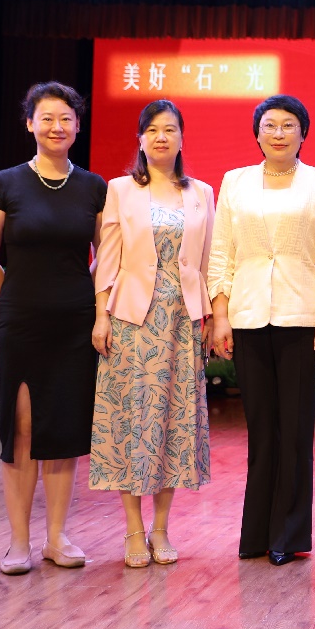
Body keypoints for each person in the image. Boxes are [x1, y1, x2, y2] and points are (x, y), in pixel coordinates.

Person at [0, 81, 107, 575]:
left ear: (77, 126)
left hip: (75, 324)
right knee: (24, 429)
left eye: (66, 118)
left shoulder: (94, 187)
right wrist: (14, 300)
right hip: (22, 324)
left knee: (62, 430)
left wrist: (83, 296)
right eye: (46, 118)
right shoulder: (5, 183)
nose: (56, 126)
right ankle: (17, 542)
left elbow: (105, 256)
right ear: (30, 123)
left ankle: (56, 537)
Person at [206, 95, 315, 567]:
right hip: (247, 316)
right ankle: (256, 533)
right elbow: (221, 253)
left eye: (288, 125)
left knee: (295, 431)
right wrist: (220, 314)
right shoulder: (235, 182)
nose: (278, 133)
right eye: (270, 125)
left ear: (303, 134)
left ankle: (288, 534)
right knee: (261, 431)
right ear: (257, 133)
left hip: (301, 317)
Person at [89, 100, 215, 568]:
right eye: (153, 130)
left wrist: (209, 316)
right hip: (131, 320)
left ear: (182, 138)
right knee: (131, 421)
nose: (162, 137)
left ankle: (161, 528)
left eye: (170, 129)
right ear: (140, 139)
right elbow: (107, 260)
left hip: (182, 322)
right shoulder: (120, 190)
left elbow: (206, 262)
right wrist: (101, 316)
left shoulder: (202, 193)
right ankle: (132, 530)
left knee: (173, 423)